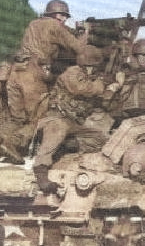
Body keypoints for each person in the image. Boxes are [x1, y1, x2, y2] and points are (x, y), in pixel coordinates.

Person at [32, 45, 120, 193]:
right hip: (55, 118)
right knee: (57, 131)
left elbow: (105, 102)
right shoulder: (72, 72)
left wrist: (114, 88)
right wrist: (104, 85)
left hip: (74, 123)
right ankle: (41, 171)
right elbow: (80, 88)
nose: (93, 70)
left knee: (100, 138)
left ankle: (67, 145)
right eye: (91, 67)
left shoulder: (92, 78)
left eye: (94, 68)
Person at [6, 0, 88, 136]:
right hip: (33, 74)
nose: (66, 19)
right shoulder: (55, 26)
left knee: (17, 120)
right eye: (65, 16)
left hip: (16, 71)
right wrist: (86, 32)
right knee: (39, 118)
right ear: (58, 15)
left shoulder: (33, 24)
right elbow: (80, 49)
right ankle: (22, 148)